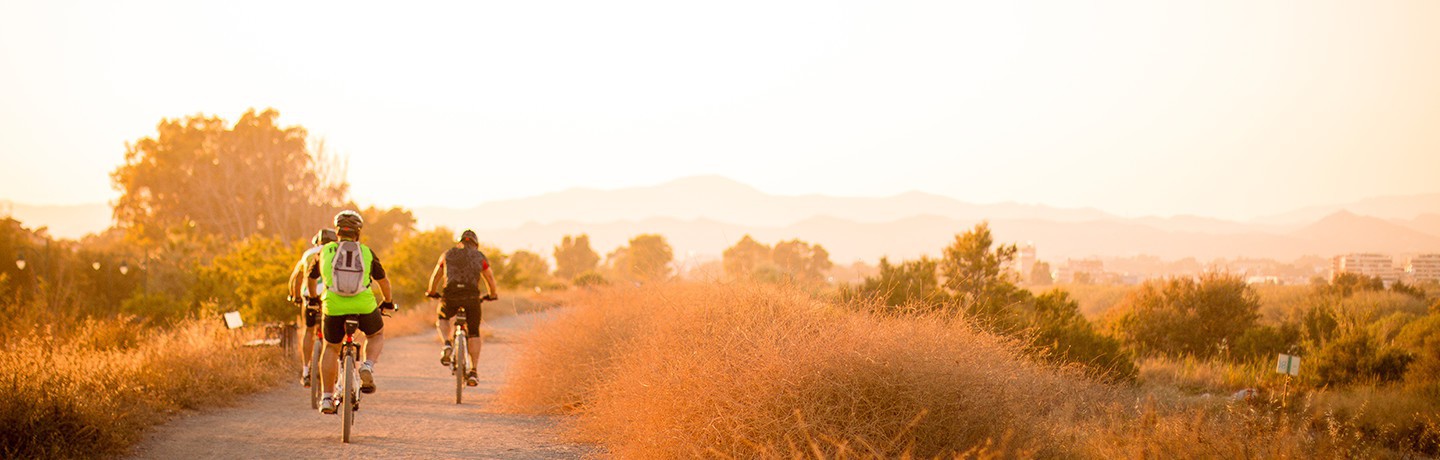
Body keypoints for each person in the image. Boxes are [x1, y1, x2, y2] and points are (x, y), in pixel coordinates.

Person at [308, 210, 395, 415]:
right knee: (376, 334)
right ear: (358, 232)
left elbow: (311, 279)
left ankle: (327, 398)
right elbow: (383, 282)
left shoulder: (325, 251)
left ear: (337, 232)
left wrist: (313, 299)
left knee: (331, 348)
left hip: (334, 307)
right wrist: (388, 302)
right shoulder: (366, 252)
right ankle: (367, 365)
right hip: (363, 306)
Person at [425, 229, 498, 387]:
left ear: (460, 242)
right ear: (475, 244)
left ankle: (446, 343)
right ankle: (473, 371)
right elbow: (490, 278)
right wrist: (492, 294)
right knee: (474, 333)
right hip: (472, 297)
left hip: (451, 295)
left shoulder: (447, 254)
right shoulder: (480, 257)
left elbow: (437, 275)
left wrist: (431, 291)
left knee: (442, 317)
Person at [288, 228, 337, 388]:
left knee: (309, 330)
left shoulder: (308, 254)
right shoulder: (336, 252)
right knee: (334, 336)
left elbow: (296, 277)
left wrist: (294, 296)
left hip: (310, 295)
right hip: (330, 296)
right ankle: (337, 371)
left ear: (317, 241)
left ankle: (306, 370)